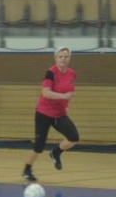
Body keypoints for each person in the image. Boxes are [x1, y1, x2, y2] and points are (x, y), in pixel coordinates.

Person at [22, 47, 79, 182]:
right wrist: (63, 96)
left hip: (59, 114)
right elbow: (46, 93)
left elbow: (69, 92)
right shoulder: (51, 73)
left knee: (73, 137)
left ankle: (56, 153)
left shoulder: (71, 74)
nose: (63, 59)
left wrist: (66, 105)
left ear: (69, 58)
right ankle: (27, 169)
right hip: (44, 113)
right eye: (60, 56)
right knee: (39, 145)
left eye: (66, 57)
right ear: (56, 58)